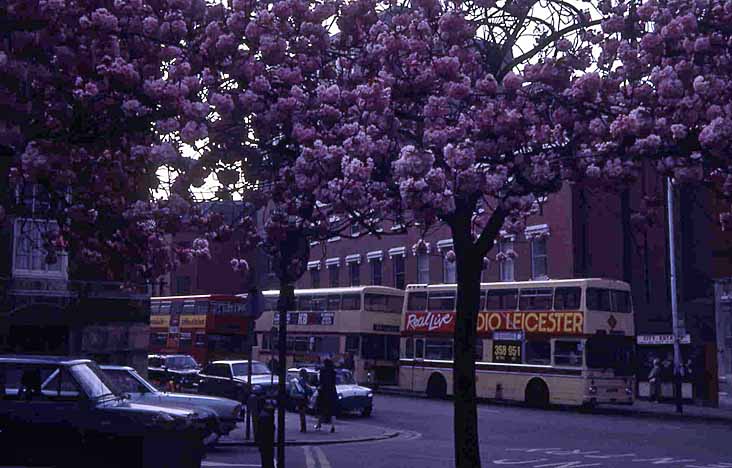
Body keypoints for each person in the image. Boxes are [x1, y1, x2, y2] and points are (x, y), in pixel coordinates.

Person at [315, 359, 338, 433]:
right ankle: (333, 426)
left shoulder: (322, 371)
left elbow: (321, 382)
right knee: (332, 411)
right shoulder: (333, 372)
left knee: (321, 409)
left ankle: (319, 424)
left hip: (323, 392)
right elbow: (334, 383)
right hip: (332, 392)